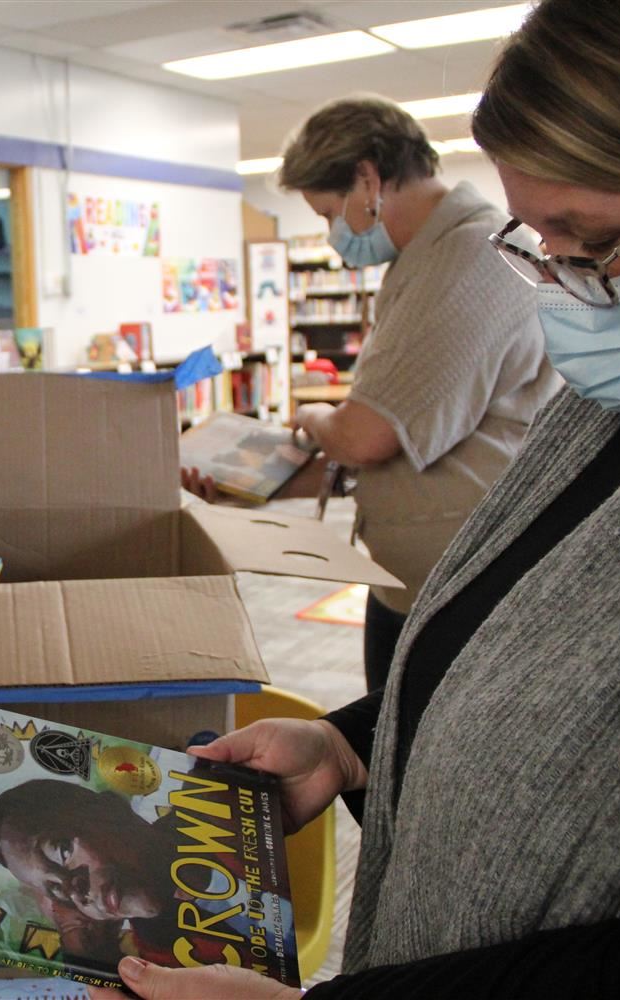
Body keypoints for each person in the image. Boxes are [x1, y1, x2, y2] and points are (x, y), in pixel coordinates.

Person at [99, 1, 620, 998]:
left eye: (599, 242)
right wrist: (359, 740)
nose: (573, 290)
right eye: (544, 244)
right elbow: (541, 640)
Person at [186, 96, 559, 692]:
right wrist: (255, 478)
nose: (334, 232)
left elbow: (366, 435)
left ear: (368, 178)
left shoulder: (468, 254)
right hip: (418, 575)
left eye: (330, 210)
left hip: (462, 582)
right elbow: (419, 443)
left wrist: (312, 415)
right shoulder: (427, 257)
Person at [0, 779, 245, 975]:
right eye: (55, 889)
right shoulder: (163, 956)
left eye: (63, 851)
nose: (76, 891)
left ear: (111, 811)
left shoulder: (219, 799)